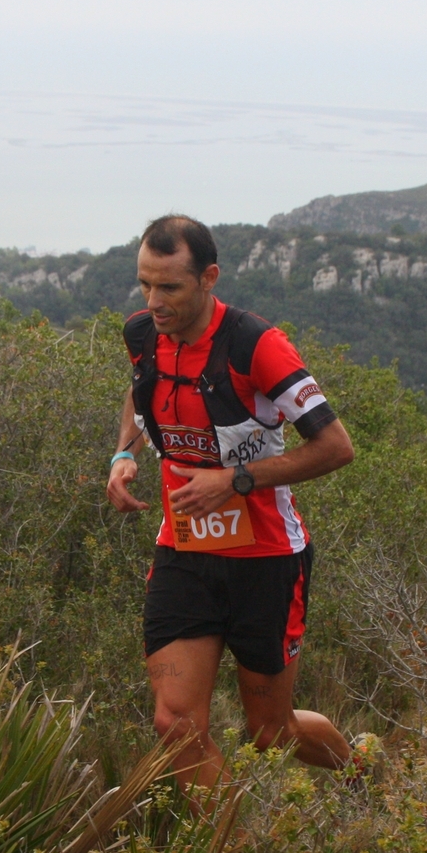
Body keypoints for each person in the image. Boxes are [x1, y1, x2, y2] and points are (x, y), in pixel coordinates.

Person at [106, 214, 358, 789]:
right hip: (185, 554)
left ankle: (362, 770)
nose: (154, 301)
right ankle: (238, 844)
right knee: (175, 723)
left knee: (271, 732)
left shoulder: (257, 346)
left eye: (169, 287)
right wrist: (124, 454)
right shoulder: (143, 334)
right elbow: (141, 393)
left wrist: (235, 480)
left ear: (209, 278)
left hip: (266, 559)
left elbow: (336, 447)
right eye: (144, 284)